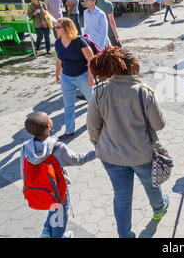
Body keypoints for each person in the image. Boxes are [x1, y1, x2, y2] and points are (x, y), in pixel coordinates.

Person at [87, 47, 169, 238]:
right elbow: (159, 124)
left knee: (121, 196)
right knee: (151, 185)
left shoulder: (100, 92)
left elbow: (92, 127)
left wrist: (100, 145)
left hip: (111, 156)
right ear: (132, 67)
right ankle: (159, 209)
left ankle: (124, 234)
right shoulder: (143, 92)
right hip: (142, 155)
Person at [20, 111, 95, 238]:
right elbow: (78, 159)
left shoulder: (25, 147)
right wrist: (97, 152)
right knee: (61, 212)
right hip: (58, 189)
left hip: (40, 187)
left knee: (53, 206)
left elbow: (23, 170)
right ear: (49, 126)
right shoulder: (56, 147)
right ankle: (58, 235)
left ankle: (46, 231)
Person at [55, 18, 94, 141]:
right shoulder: (58, 43)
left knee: (91, 101)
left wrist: (90, 77)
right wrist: (57, 73)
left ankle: (96, 123)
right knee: (68, 105)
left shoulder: (79, 41)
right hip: (66, 77)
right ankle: (69, 130)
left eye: (58, 27)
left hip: (82, 76)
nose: (55, 29)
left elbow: (91, 60)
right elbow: (59, 60)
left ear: (66, 28)